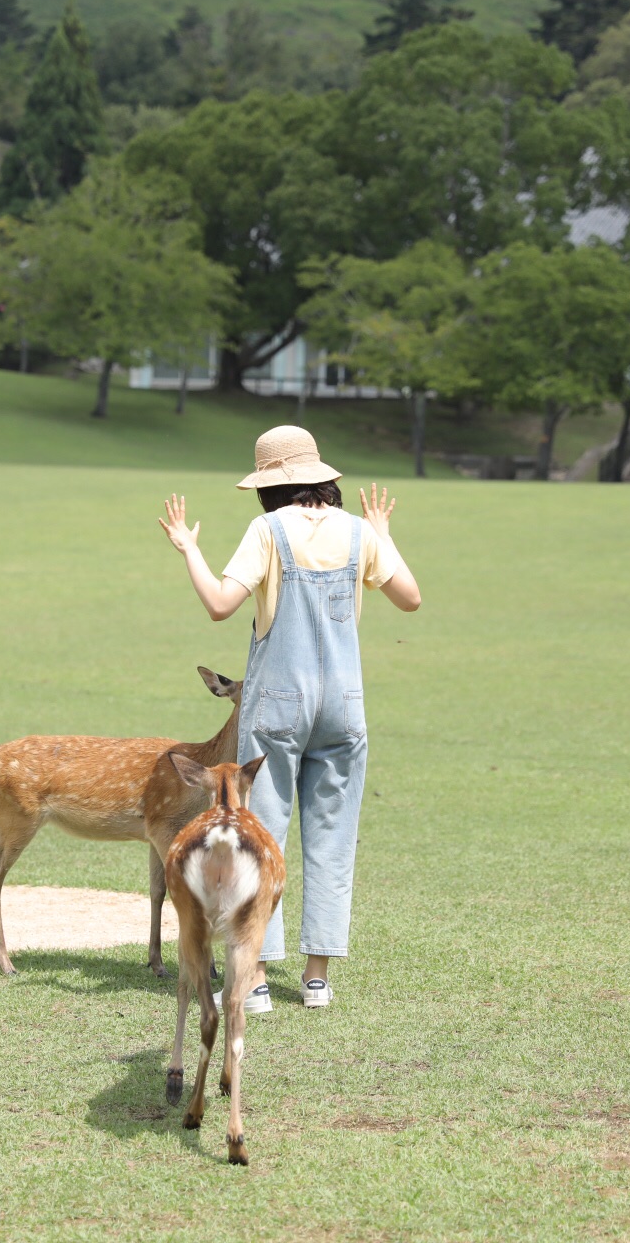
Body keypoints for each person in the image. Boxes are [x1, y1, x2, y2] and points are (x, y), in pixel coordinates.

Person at [158, 426, 422, 1012]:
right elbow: (410, 598)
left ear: (270, 487)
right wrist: (381, 534)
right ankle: (317, 979)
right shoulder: (357, 533)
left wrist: (189, 549)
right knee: (333, 836)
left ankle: (252, 980)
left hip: (278, 705)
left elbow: (220, 605)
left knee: (259, 835)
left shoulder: (267, 530)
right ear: (322, 479)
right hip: (344, 707)